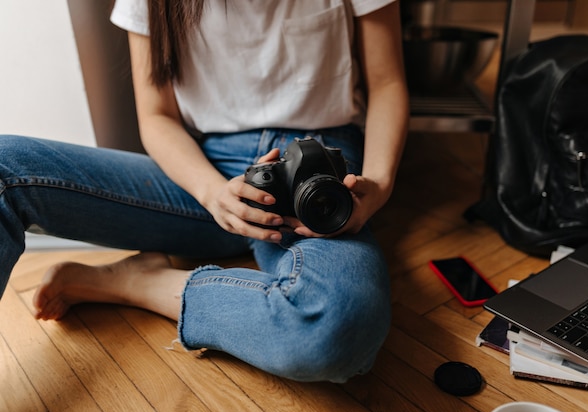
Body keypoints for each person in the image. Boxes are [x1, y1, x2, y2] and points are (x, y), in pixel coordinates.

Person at [1, 0, 408, 382]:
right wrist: (213, 192)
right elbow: (157, 116)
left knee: (333, 330)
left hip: (318, 170)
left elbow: (388, 82)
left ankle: (138, 283)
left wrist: (381, 184)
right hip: (202, 170)